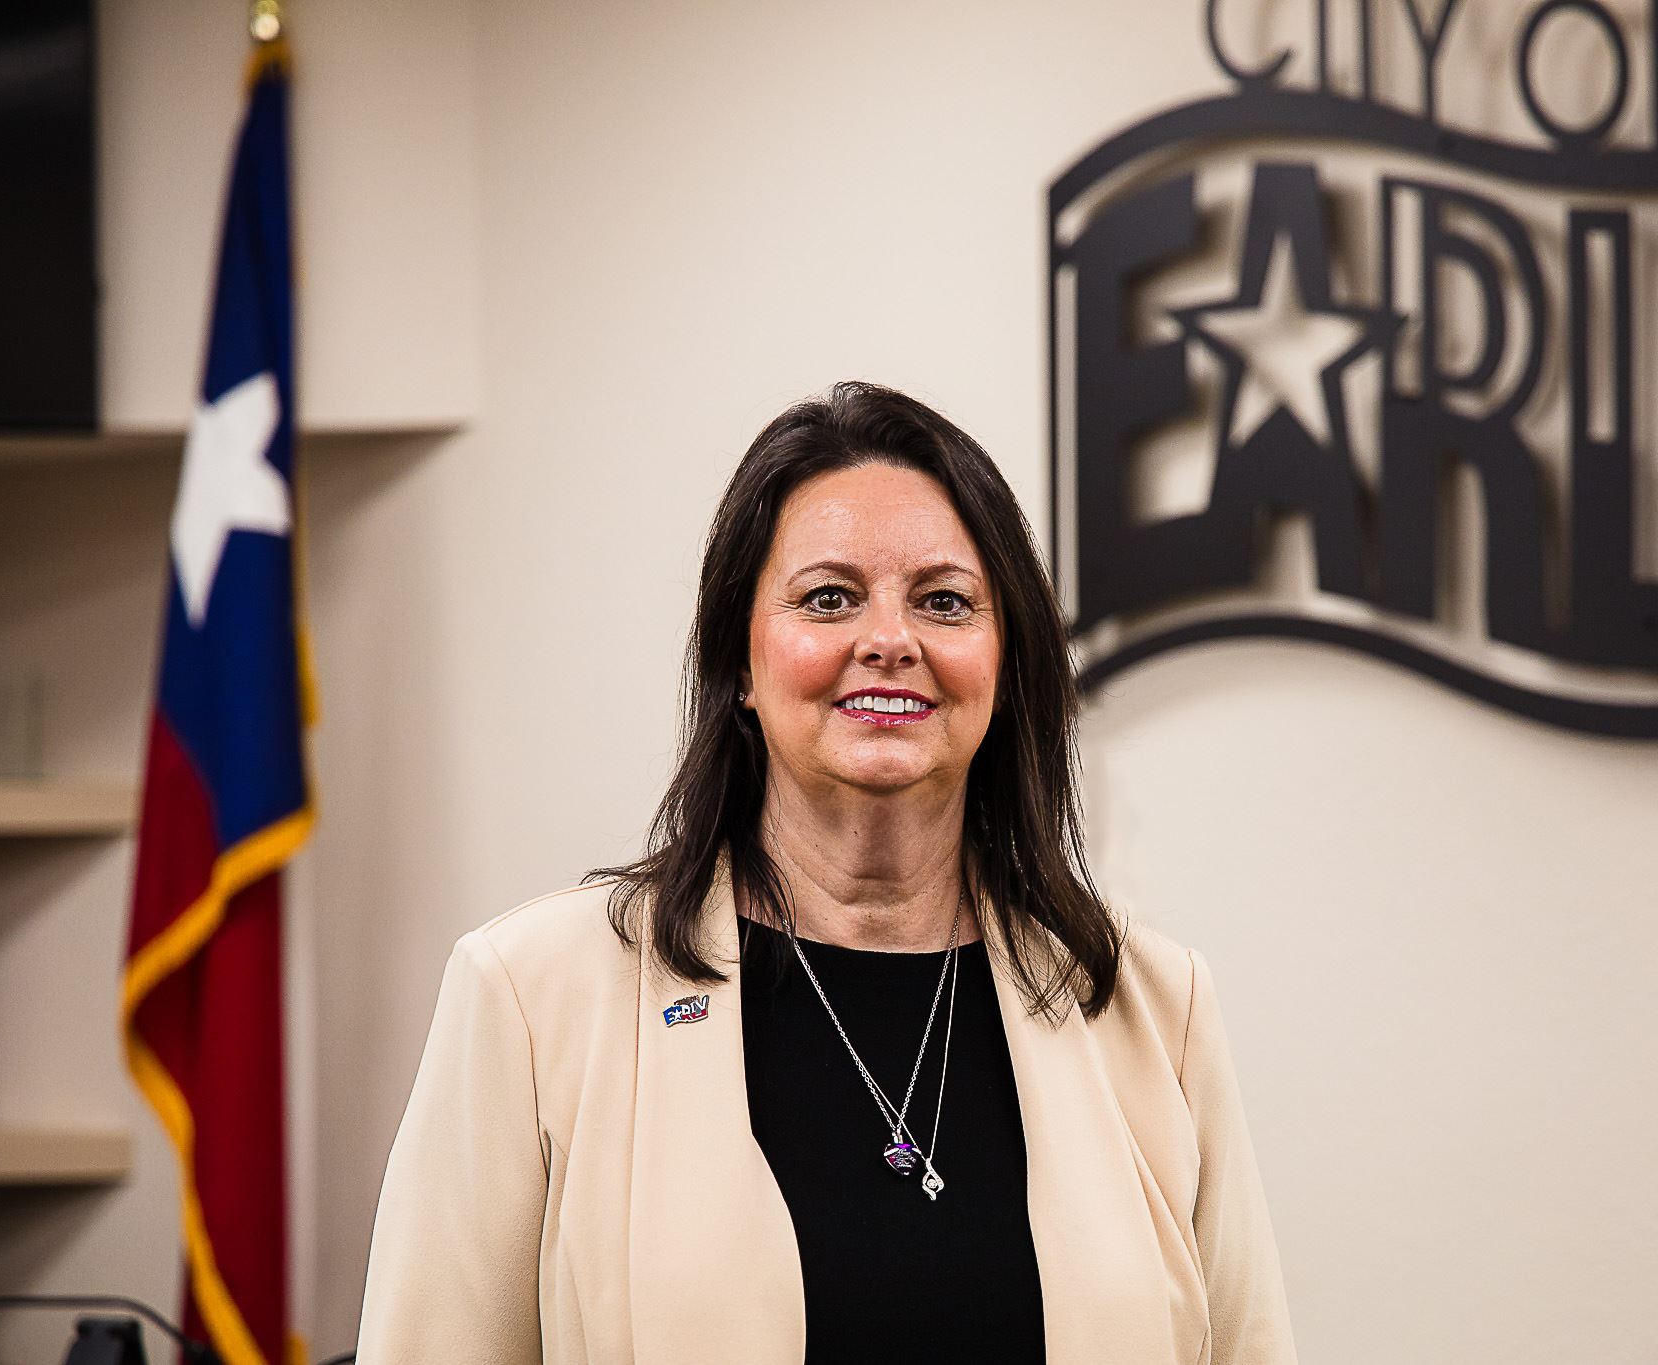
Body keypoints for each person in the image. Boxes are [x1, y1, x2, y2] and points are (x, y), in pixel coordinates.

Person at [353, 382, 1299, 1363]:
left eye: (943, 602)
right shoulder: (531, 997)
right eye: (828, 598)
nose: (888, 641)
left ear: (1005, 664)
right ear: (740, 666)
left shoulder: (1153, 1008)